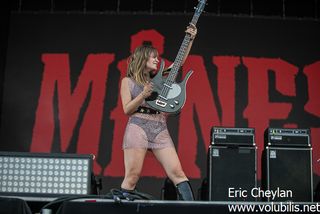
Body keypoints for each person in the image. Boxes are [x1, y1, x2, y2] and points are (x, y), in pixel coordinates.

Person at [119, 23, 197, 200]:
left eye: (157, 57)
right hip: (138, 126)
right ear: (142, 58)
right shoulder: (128, 81)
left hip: (159, 127)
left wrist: (190, 38)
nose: (157, 60)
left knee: (178, 173)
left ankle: (192, 210)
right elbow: (127, 109)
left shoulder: (160, 77)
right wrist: (142, 96)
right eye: (153, 57)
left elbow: (179, 62)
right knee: (132, 177)